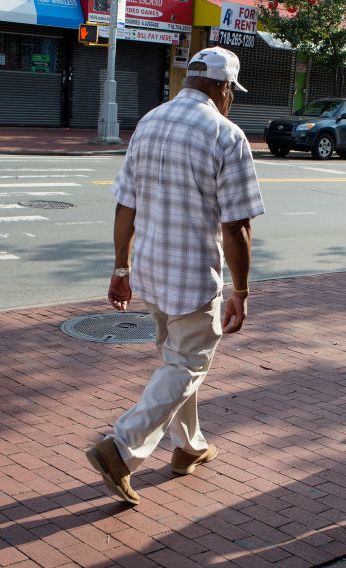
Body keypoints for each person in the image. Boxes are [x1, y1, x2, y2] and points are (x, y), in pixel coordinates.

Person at [85, 46, 264, 505]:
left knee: (177, 361)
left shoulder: (149, 122)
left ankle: (190, 447)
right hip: (191, 279)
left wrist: (120, 267)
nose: (231, 99)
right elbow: (237, 225)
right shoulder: (226, 134)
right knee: (186, 364)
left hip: (149, 271)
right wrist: (241, 290)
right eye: (231, 92)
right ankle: (121, 449)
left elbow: (127, 205)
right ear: (223, 87)